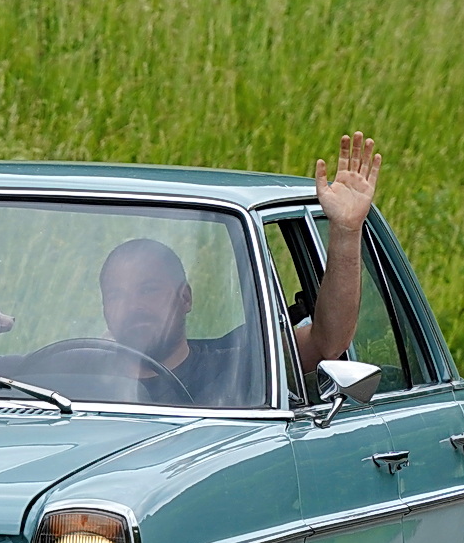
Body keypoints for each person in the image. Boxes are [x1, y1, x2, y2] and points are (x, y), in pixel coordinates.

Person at [93, 132, 384, 400]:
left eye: (148, 290)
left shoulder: (238, 362)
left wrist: (346, 231)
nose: (132, 306)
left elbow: (327, 343)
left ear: (185, 298)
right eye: (117, 295)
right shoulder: (70, 376)